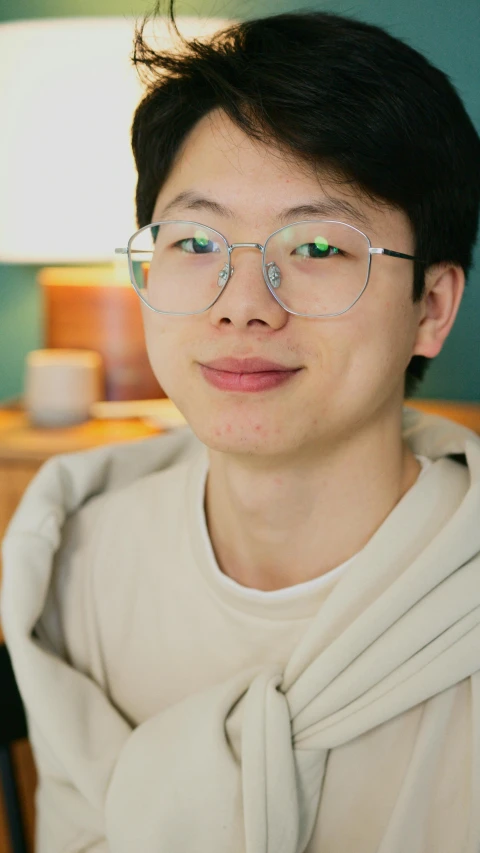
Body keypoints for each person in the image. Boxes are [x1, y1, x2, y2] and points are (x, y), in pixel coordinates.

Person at [1, 3, 480, 851]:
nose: (243, 307)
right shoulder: (72, 568)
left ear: (431, 308)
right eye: (195, 240)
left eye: (321, 249)